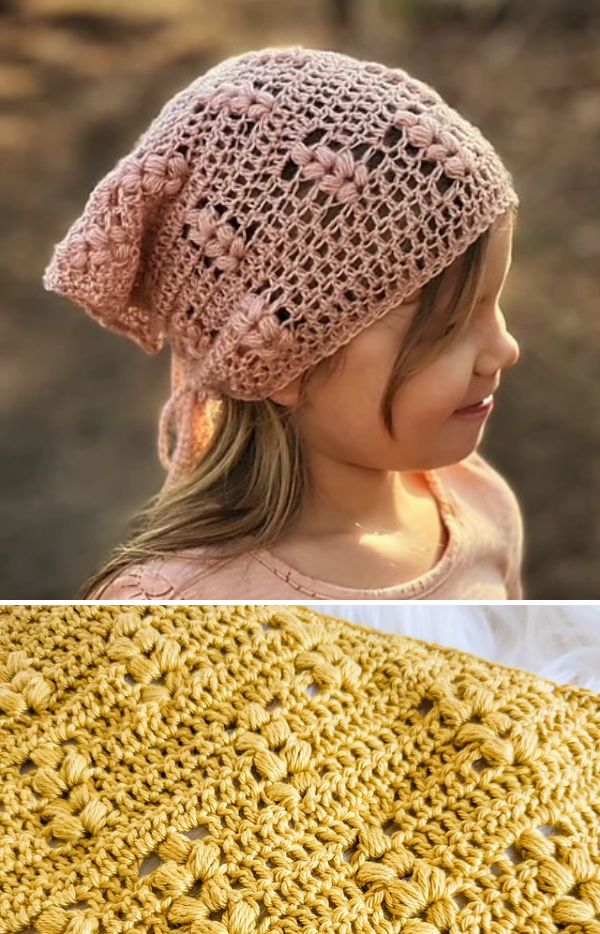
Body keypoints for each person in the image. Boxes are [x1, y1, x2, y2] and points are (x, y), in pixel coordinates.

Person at [43, 45, 524, 601]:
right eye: (449, 326)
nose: (505, 349)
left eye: (495, 301)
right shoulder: (179, 605)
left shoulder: (482, 505)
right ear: (284, 360)